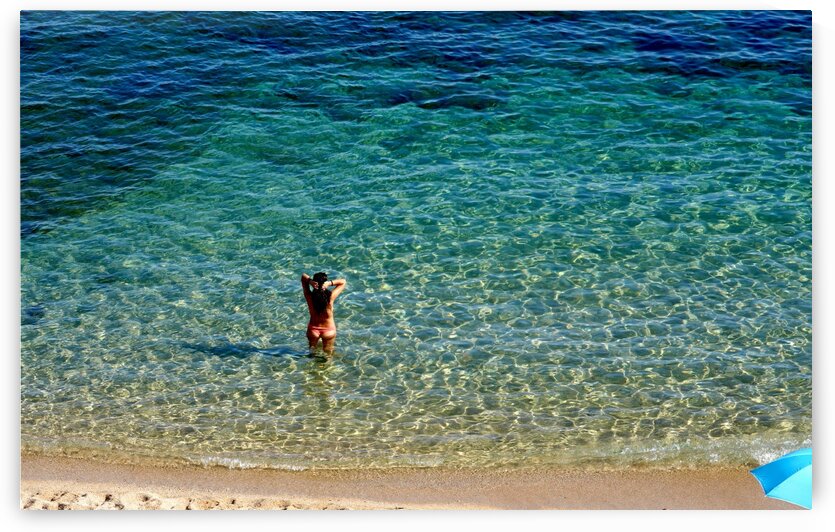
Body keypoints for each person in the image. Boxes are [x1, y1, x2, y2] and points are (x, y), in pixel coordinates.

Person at [301, 272, 346, 354]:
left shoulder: (309, 296)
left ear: (314, 283)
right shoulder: (330, 297)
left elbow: (303, 277)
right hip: (329, 330)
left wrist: (310, 281)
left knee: (312, 352)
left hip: (313, 330)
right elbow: (343, 282)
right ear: (325, 282)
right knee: (328, 354)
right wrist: (329, 283)